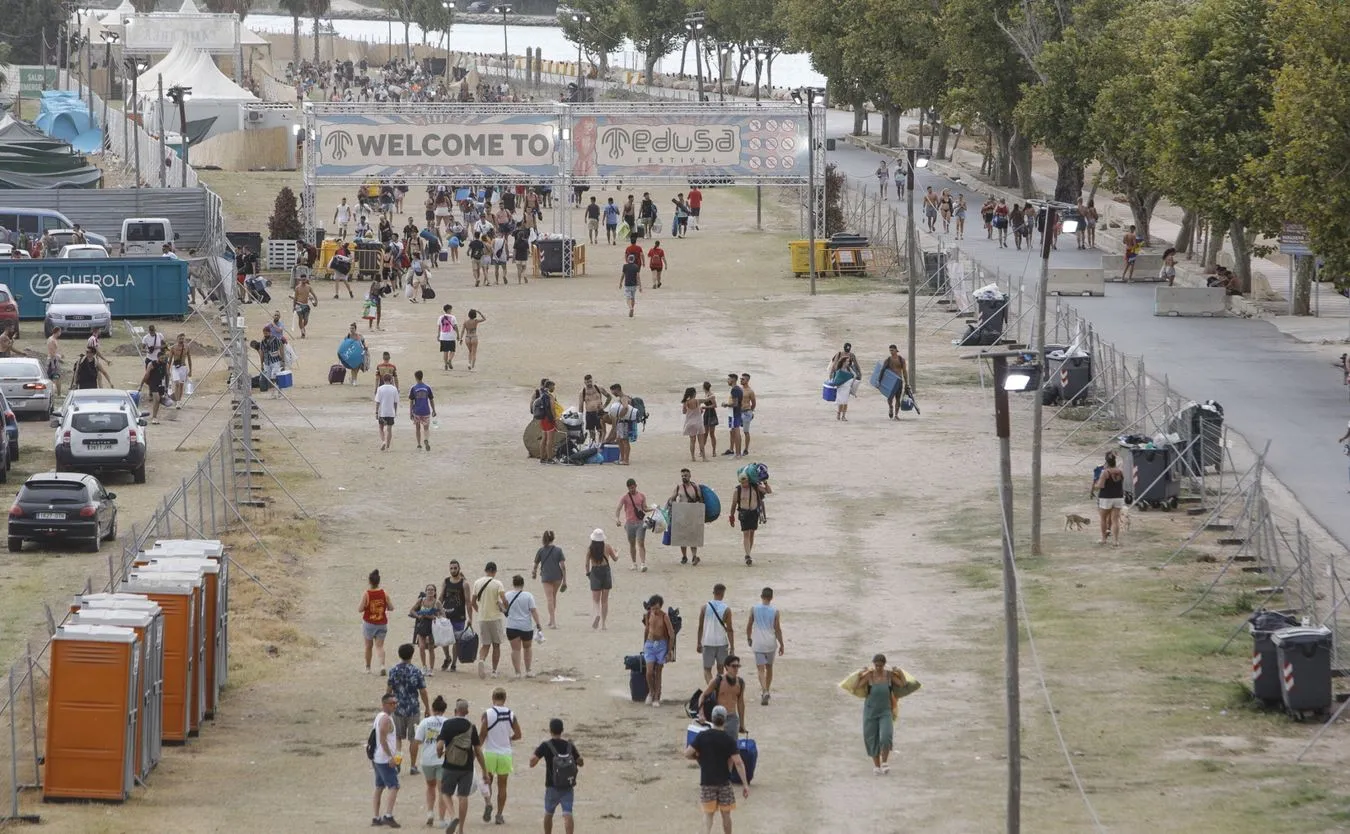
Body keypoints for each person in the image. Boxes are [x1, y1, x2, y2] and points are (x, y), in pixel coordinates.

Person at [684, 705, 749, 834]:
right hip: (724, 782)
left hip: (707, 781)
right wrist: (745, 784)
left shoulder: (702, 736)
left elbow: (687, 753)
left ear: (711, 719)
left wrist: (699, 757)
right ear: (724, 720)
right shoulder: (729, 740)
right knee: (726, 816)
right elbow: (738, 762)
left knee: (708, 815)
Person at [436, 699, 489, 834]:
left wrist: (439, 754)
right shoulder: (472, 727)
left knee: (445, 792)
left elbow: (440, 745)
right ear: (467, 712)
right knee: (463, 796)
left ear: (455, 711)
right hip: (467, 767)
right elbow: (478, 751)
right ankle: (461, 830)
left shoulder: (447, 724)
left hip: (450, 765)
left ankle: (453, 816)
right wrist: (484, 771)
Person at [530, 718, 583, 834]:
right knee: (568, 813)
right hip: (568, 786)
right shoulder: (569, 746)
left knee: (549, 813)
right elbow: (580, 762)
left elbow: (532, 762)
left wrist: (535, 755)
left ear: (550, 730)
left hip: (551, 785)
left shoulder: (546, 745)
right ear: (562, 730)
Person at [855, 653, 905, 775]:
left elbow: (903, 684)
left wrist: (900, 672)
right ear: (873, 664)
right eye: (876, 665)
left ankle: (885, 762)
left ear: (884, 665)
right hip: (870, 711)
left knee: (886, 736)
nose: (878, 668)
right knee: (872, 738)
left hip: (885, 711)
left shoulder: (889, 676)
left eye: (880, 666)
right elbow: (856, 687)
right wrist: (859, 674)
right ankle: (877, 766)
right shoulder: (869, 676)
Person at [479, 687, 522, 825]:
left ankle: (488, 803)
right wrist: (509, 738)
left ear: (493, 698)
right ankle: (499, 814)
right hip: (505, 753)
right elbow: (518, 734)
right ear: (505, 699)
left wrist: (477, 748)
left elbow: (482, 734)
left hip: (490, 752)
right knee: (502, 786)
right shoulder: (511, 714)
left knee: (488, 781)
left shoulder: (488, 714)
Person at [387, 643, 431, 764]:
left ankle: (398, 761)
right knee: (414, 739)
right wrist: (427, 707)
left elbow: (389, 690)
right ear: (412, 655)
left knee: (397, 738)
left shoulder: (393, 671)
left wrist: (388, 707)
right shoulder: (416, 671)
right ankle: (412, 765)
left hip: (397, 708)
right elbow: (423, 691)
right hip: (413, 709)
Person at [412, 695, 449, 828]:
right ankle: (442, 818)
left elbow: (417, 741)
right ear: (444, 710)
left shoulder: (425, 722)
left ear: (433, 709)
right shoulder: (447, 722)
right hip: (442, 759)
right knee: (442, 790)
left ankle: (429, 812)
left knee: (430, 786)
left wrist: (414, 761)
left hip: (427, 759)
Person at [746, 588, 784, 705]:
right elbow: (777, 629)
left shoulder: (754, 609)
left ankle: (764, 690)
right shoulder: (775, 611)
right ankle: (767, 689)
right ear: (771, 598)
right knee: (769, 667)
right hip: (770, 642)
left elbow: (749, 625)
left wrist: (749, 637)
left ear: (761, 596)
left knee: (760, 669)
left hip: (758, 642)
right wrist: (782, 644)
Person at [472, 562, 509, 679]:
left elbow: (473, 602)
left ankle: (482, 660)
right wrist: (504, 607)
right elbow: (504, 599)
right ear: (495, 571)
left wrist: (479, 611)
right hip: (495, 617)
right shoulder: (498, 583)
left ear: (485, 570)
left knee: (485, 644)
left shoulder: (477, 582)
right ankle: (494, 670)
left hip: (483, 618)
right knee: (496, 645)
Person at [371, 693, 403, 828]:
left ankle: (376, 817)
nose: (394, 705)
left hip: (377, 757)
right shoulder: (386, 719)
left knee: (379, 786)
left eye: (395, 703)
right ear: (384, 705)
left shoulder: (380, 717)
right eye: (391, 703)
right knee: (394, 786)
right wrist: (391, 757)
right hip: (384, 758)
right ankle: (388, 815)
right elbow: (383, 740)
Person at [503, 575, 542, 678]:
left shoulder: (507, 595)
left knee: (515, 650)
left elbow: (504, 610)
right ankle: (528, 670)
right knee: (527, 648)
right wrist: (538, 624)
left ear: (513, 584)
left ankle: (517, 672)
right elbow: (533, 611)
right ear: (523, 584)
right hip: (526, 626)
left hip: (512, 626)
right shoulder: (528, 596)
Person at [641, 594, 676, 706]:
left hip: (661, 645)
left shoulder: (664, 616)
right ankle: (651, 692)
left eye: (657, 608)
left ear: (661, 607)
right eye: (653, 608)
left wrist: (669, 651)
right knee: (649, 672)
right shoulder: (648, 615)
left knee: (658, 672)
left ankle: (657, 696)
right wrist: (644, 644)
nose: (655, 610)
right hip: (650, 644)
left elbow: (671, 634)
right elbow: (647, 629)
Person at [730, 472, 772, 566]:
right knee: (746, 533)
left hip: (754, 513)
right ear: (739, 482)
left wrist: (765, 482)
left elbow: (768, 491)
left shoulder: (755, 487)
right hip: (743, 513)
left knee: (752, 533)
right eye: (742, 482)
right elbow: (734, 504)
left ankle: (748, 553)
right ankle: (747, 555)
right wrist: (731, 516)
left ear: (748, 481)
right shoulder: (738, 490)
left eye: (745, 482)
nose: (744, 484)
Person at [697, 583, 734, 684]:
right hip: (722, 642)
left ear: (713, 592)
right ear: (723, 594)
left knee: (707, 669)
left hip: (708, 642)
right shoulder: (726, 609)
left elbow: (700, 627)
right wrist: (732, 647)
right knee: (721, 669)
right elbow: (730, 629)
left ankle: (712, 689)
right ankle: (720, 689)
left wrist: (699, 643)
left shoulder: (704, 608)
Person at [439, 560, 472, 672]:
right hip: (446, 615)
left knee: (456, 640)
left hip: (459, 616)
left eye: (455, 568)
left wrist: (470, 617)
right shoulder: (446, 581)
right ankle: (447, 657)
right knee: (444, 639)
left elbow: (468, 602)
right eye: (451, 568)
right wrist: (437, 610)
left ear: (459, 568)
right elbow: (441, 597)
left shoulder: (464, 583)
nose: (453, 570)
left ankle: (453, 663)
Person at [531, 530, 566, 629]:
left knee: (549, 599)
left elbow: (535, 564)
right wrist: (565, 580)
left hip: (546, 577)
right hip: (558, 577)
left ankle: (553, 621)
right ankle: (551, 620)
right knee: (553, 597)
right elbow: (563, 566)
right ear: (553, 538)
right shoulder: (558, 550)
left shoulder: (541, 550)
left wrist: (534, 573)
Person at [584, 529, 617, 631]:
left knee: (596, 600)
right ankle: (603, 624)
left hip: (595, 571)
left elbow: (586, 563)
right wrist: (617, 552)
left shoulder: (590, 549)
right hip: (605, 571)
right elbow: (615, 558)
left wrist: (588, 573)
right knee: (605, 600)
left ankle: (597, 614)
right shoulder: (607, 547)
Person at [615, 478, 651, 571]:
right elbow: (618, 508)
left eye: (633, 487)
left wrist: (654, 509)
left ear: (636, 486)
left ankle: (643, 563)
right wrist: (617, 519)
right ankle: (634, 563)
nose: (632, 489)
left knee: (641, 543)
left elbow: (645, 508)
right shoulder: (625, 497)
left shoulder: (642, 496)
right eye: (630, 488)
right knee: (632, 544)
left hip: (640, 523)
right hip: (630, 523)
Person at [360, 570, 391, 675]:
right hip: (382, 623)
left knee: (368, 646)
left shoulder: (367, 594)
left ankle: (368, 667)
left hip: (369, 623)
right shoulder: (384, 593)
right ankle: (382, 665)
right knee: (380, 646)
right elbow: (391, 607)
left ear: (369, 581)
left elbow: (360, 609)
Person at [1093, 451, 1126, 546]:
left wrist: (1095, 485)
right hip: (1118, 497)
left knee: (1103, 518)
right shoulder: (1120, 471)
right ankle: (1116, 541)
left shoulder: (1105, 472)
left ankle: (1104, 539)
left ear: (1106, 462)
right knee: (1115, 520)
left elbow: (1101, 485)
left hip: (1106, 497)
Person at [829, 344, 862, 422]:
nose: (848, 362)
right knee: (841, 401)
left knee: (845, 401)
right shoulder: (839, 355)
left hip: (847, 387)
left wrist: (859, 374)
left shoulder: (850, 368)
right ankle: (838, 413)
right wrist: (831, 376)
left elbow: (856, 367)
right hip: (841, 386)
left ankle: (843, 416)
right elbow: (834, 366)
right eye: (847, 361)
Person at [577, 375, 611, 445]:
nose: (589, 383)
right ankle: (593, 446)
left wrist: (604, 406)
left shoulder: (599, 388)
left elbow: (609, 397)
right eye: (587, 382)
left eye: (590, 381)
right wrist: (580, 419)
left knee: (601, 430)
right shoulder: (582, 392)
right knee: (591, 432)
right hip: (589, 414)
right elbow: (580, 406)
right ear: (584, 382)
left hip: (599, 412)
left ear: (592, 380)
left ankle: (600, 445)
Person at [408, 370, 436, 452]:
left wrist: (410, 412)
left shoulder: (414, 388)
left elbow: (411, 401)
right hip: (426, 411)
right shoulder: (427, 388)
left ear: (416, 377)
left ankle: (419, 444)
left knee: (417, 428)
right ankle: (426, 439)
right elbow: (431, 400)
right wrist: (434, 410)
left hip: (417, 411)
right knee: (426, 428)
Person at [137, 355, 170, 425]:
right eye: (162, 358)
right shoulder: (152, 364)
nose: (163, 359)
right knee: (157, 398)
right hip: (152, 383)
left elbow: (167, 376)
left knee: (159, 400)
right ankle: (154, 417)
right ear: (158, 358)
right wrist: (141, 386)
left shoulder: (166, 365)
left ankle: (155, 415)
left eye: (164, 358)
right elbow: (146, 375)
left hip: (161, 384)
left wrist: (167, 388)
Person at [882, 344, 910, 420]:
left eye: (892, 350)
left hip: (899, 381)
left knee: (898, 398)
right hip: (891, 382)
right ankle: (890, 407)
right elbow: (882, 370)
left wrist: (907, 383)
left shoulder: (901, 359)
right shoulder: (888, 360)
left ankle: (896, 415)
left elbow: (904, 371)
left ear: (896, 350)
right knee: (889, 398)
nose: (891, 352)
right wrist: (879, 380)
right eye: (890, 350)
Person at [535, 379, 558, 464]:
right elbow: (552, 407)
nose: (554, 388)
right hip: (549, 419)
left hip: (542, 419)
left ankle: (542, 458)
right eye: (553, 386)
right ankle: (549, 458)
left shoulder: (542, 394)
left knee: (544, 438)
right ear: (549, 386)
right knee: (550, 440)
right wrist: (554, 418)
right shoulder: (550, 396)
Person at [375, 373, 399, 451]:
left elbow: (378, 401)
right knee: (389, 429)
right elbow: (395, 402)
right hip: (390, 412)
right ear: (391, 380)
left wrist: (376, 412)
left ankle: (383, 441)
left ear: (383, 380)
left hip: (382, 412)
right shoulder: (394, 389)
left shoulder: (380, 389)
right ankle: (388, 446)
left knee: (381, 428)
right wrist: (395, 411)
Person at [166, 334, 192, 405]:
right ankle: (177, 401)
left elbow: (189, 359)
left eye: (182, 339)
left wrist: (190, 371)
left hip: (183, 367)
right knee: (177, 384)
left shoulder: (187, 347)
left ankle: (178, 401)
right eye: (180, 339)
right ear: (177, 339)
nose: (181, 340)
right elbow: (170, 360)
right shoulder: (173, 348)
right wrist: (168, 370)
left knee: (181, 385)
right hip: (175, 368)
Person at [723, 374, 745, 458]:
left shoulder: (734, 390)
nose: (727, 381)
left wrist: (726, 404)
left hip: (734, 413)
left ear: (733, 379)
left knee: (736, 432)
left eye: (729, 379)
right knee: (734, 431)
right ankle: (737, 452)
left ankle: (738, 454)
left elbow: (735, 403)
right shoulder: (738, 389)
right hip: (736, 412)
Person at [682, 387, 703, 462]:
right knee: (701, 441)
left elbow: (684, 412)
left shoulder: (686, 402)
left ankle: (693, 457)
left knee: (692, 441)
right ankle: (704, 457)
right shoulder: (697, 401)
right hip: (698, 422)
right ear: (694, 393)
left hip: (690, 423)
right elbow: (707, 399)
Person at [738, 374, 757, 456]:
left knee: (746, 431)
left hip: (746, 412)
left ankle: (746, 449)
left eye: (743, 379)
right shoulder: (739, 389)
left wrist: (750, 411)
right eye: (741, 379)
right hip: (739, 412)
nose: (741, 380)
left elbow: (754, 403)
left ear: (747, 380)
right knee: (735, 430)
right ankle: (737, 448)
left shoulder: (750, 391)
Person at [700, 381, 719, 459]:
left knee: (710, 433)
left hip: (711, 414)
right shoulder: (707, 394)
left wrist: (705, 407)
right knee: (706, 434)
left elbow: (715, 405)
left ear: (704, 387)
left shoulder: (711, 395)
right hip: (707, 414)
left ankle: (713, 451)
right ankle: (703, 451)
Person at [437, 304, 458, 371]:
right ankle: (449, 360)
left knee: (445, 352)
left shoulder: (440, 317)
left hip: (443, 336)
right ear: (449, 310)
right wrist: (458, 334)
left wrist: (438, 335)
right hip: (451, 336)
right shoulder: (453, 317)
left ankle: (445, 364)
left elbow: (439, 327)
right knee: (452, 350)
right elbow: (455, 327)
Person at [45, 328, 63, 397]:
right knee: (54, 378)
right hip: (52, 361)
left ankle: (58, 393)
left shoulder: (53, 339)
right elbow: (52, 353)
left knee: (57, 377)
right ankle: (54, 394)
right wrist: (59, 357)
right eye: (60, 332)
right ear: (57, 332)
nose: (60, 333)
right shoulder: (51, 340)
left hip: (54, 360)